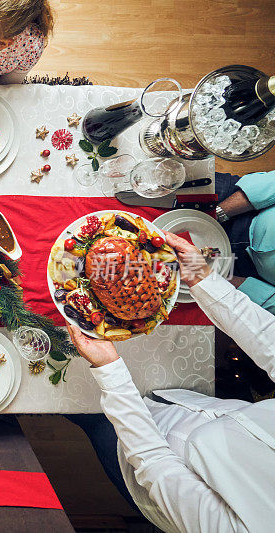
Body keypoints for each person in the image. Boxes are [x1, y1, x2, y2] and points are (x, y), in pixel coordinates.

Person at [66, 230, 275, 532]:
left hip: (138, 454)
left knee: (78, 411)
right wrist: (204, 280)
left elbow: (156, 464)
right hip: (189, 403)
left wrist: (110, 369)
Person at [214, 170, 275, 313]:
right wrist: (218, 212)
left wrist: (219, 281)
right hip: (244, 204)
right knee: (161, 185)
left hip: (243, 274)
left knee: (164, 274)